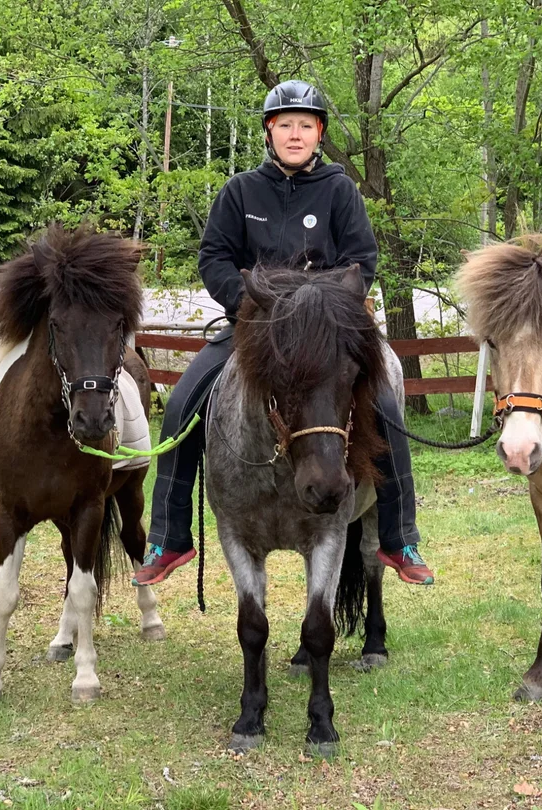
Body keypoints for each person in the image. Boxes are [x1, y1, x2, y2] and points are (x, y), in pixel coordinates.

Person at [132, 79, 435, 587]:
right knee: (183, 403)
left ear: (318, 134)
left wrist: (326, 305)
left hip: (330, 332)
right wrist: (248, 303)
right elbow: (214, 258)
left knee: (385, 403)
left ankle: (400, 536)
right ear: (270, 132)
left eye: (306, 126)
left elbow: (363, 260)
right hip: (254, 329)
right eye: (286, 125)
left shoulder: (340, 190)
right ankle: (168, 536)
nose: (296, 135)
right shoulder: (240, 191)